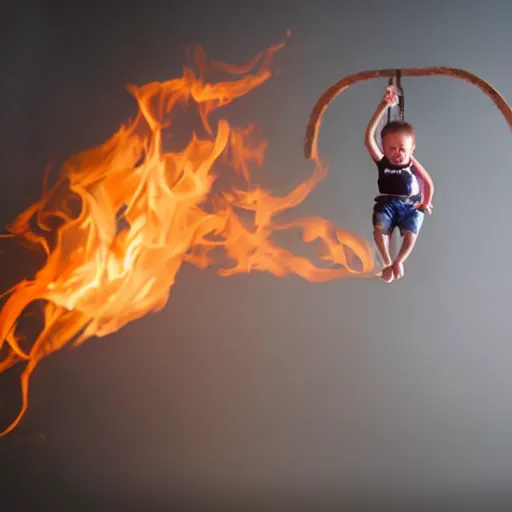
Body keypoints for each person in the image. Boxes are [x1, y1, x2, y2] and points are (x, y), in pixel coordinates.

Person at [364, 84, 434, 282]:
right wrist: (382, 108)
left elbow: (427, 182)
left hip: (410, 204)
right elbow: (369, 138)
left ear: (412, 148)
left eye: (402, 148)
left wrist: (425, 202)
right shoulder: (382, 161)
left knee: (411, 234)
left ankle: (399, 261)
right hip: (387, 203)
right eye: (391, 148)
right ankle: (387, 260)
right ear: (384, 149)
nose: (397, 153)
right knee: (379, 230)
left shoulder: (412, 164)